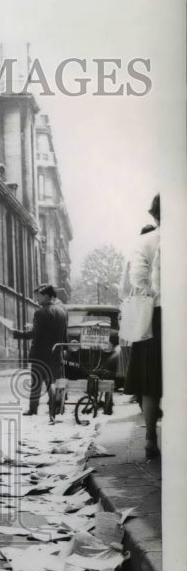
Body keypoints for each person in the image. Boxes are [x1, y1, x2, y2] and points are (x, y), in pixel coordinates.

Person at [123, 194, 161, 460]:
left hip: (155, 315)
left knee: (150, 382)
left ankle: (150, 438)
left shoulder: (146, 240)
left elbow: (137, 278)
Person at [12, 283, 68, 419]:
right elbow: (64, 334)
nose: (37, 299)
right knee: (54, 381)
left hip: (40, 354)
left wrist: (17, 333)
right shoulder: (62, 311)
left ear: (46, 296)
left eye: (39, 296)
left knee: (36, 382)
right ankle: (58, 406)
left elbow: (35, 333)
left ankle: (33, 409)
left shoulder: (39, 312)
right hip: (55, 353)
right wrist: (63, 350)